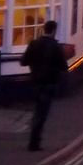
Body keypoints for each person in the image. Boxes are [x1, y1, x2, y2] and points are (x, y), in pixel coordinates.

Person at [20, 20, 67, 152]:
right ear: (54, 31)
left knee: (37, 111)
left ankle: (34, 141)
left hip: (35, 82)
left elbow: (23, 62)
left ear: (44, 29)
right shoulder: (55, 47)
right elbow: (64, 67)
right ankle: (34, 143)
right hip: (49, 83)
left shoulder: (34, 44)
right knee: (42, 114)